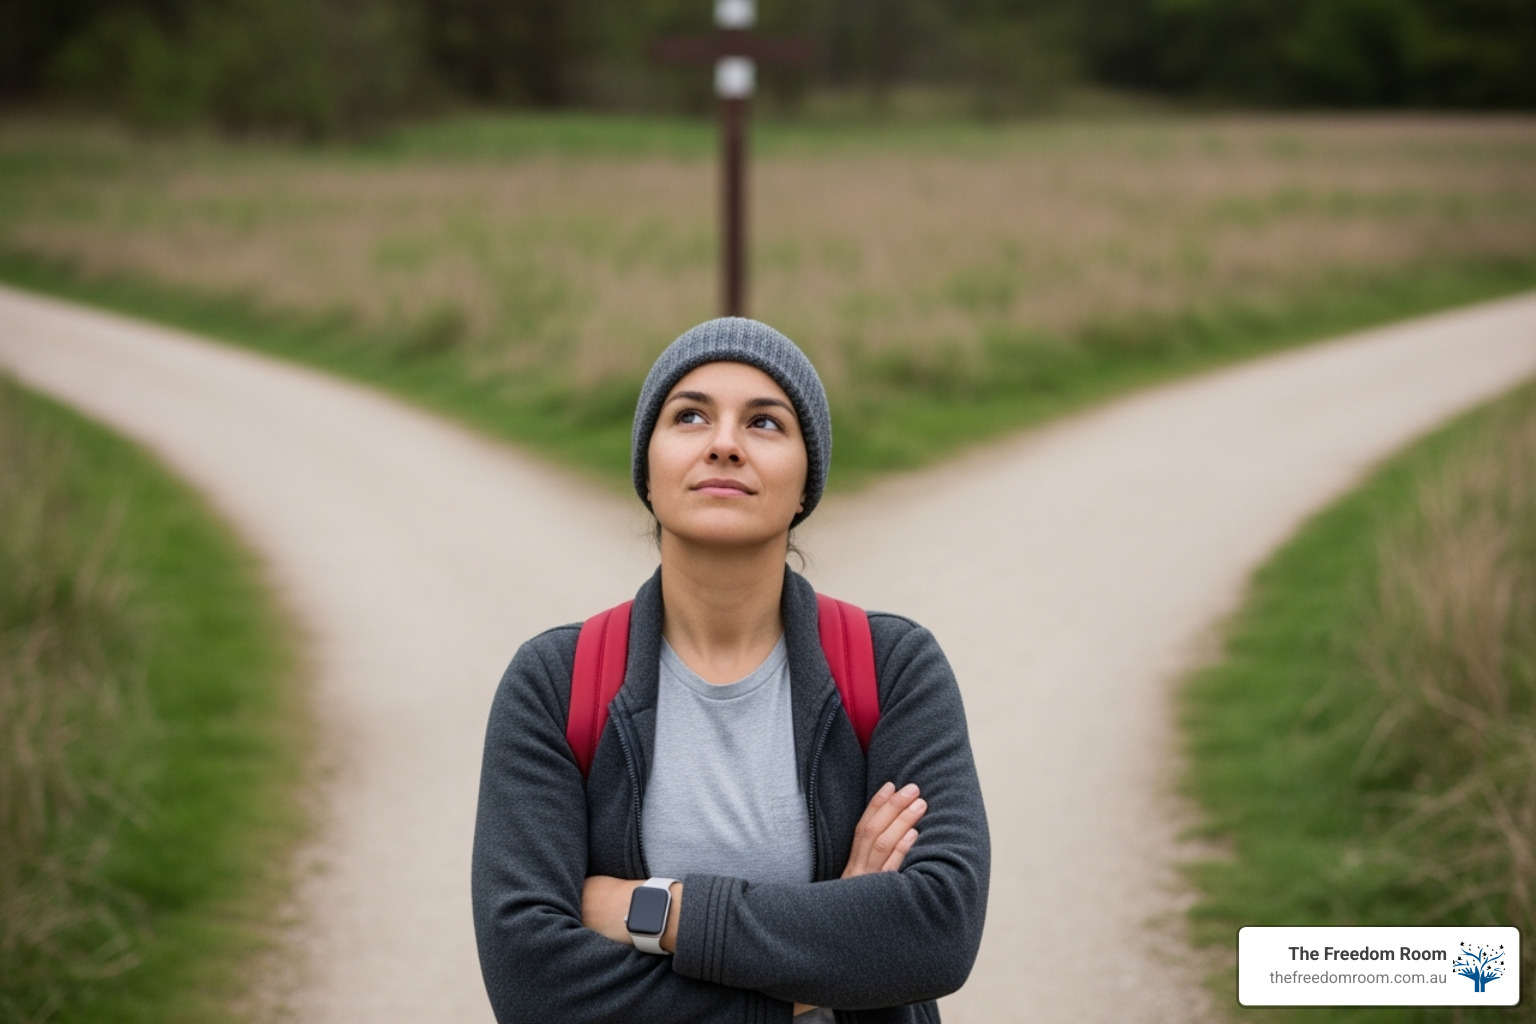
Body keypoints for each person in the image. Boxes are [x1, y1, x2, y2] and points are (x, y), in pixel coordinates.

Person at [471, 317, 990, 1023]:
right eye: (689, 416)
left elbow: (936, 931)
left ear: (806, 482)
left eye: (766, 423)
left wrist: (657, 911)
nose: (724, 444)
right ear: (647, 474)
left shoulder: (894, 668)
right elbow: (530, 984)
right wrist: (818, 975)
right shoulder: (555, 683)